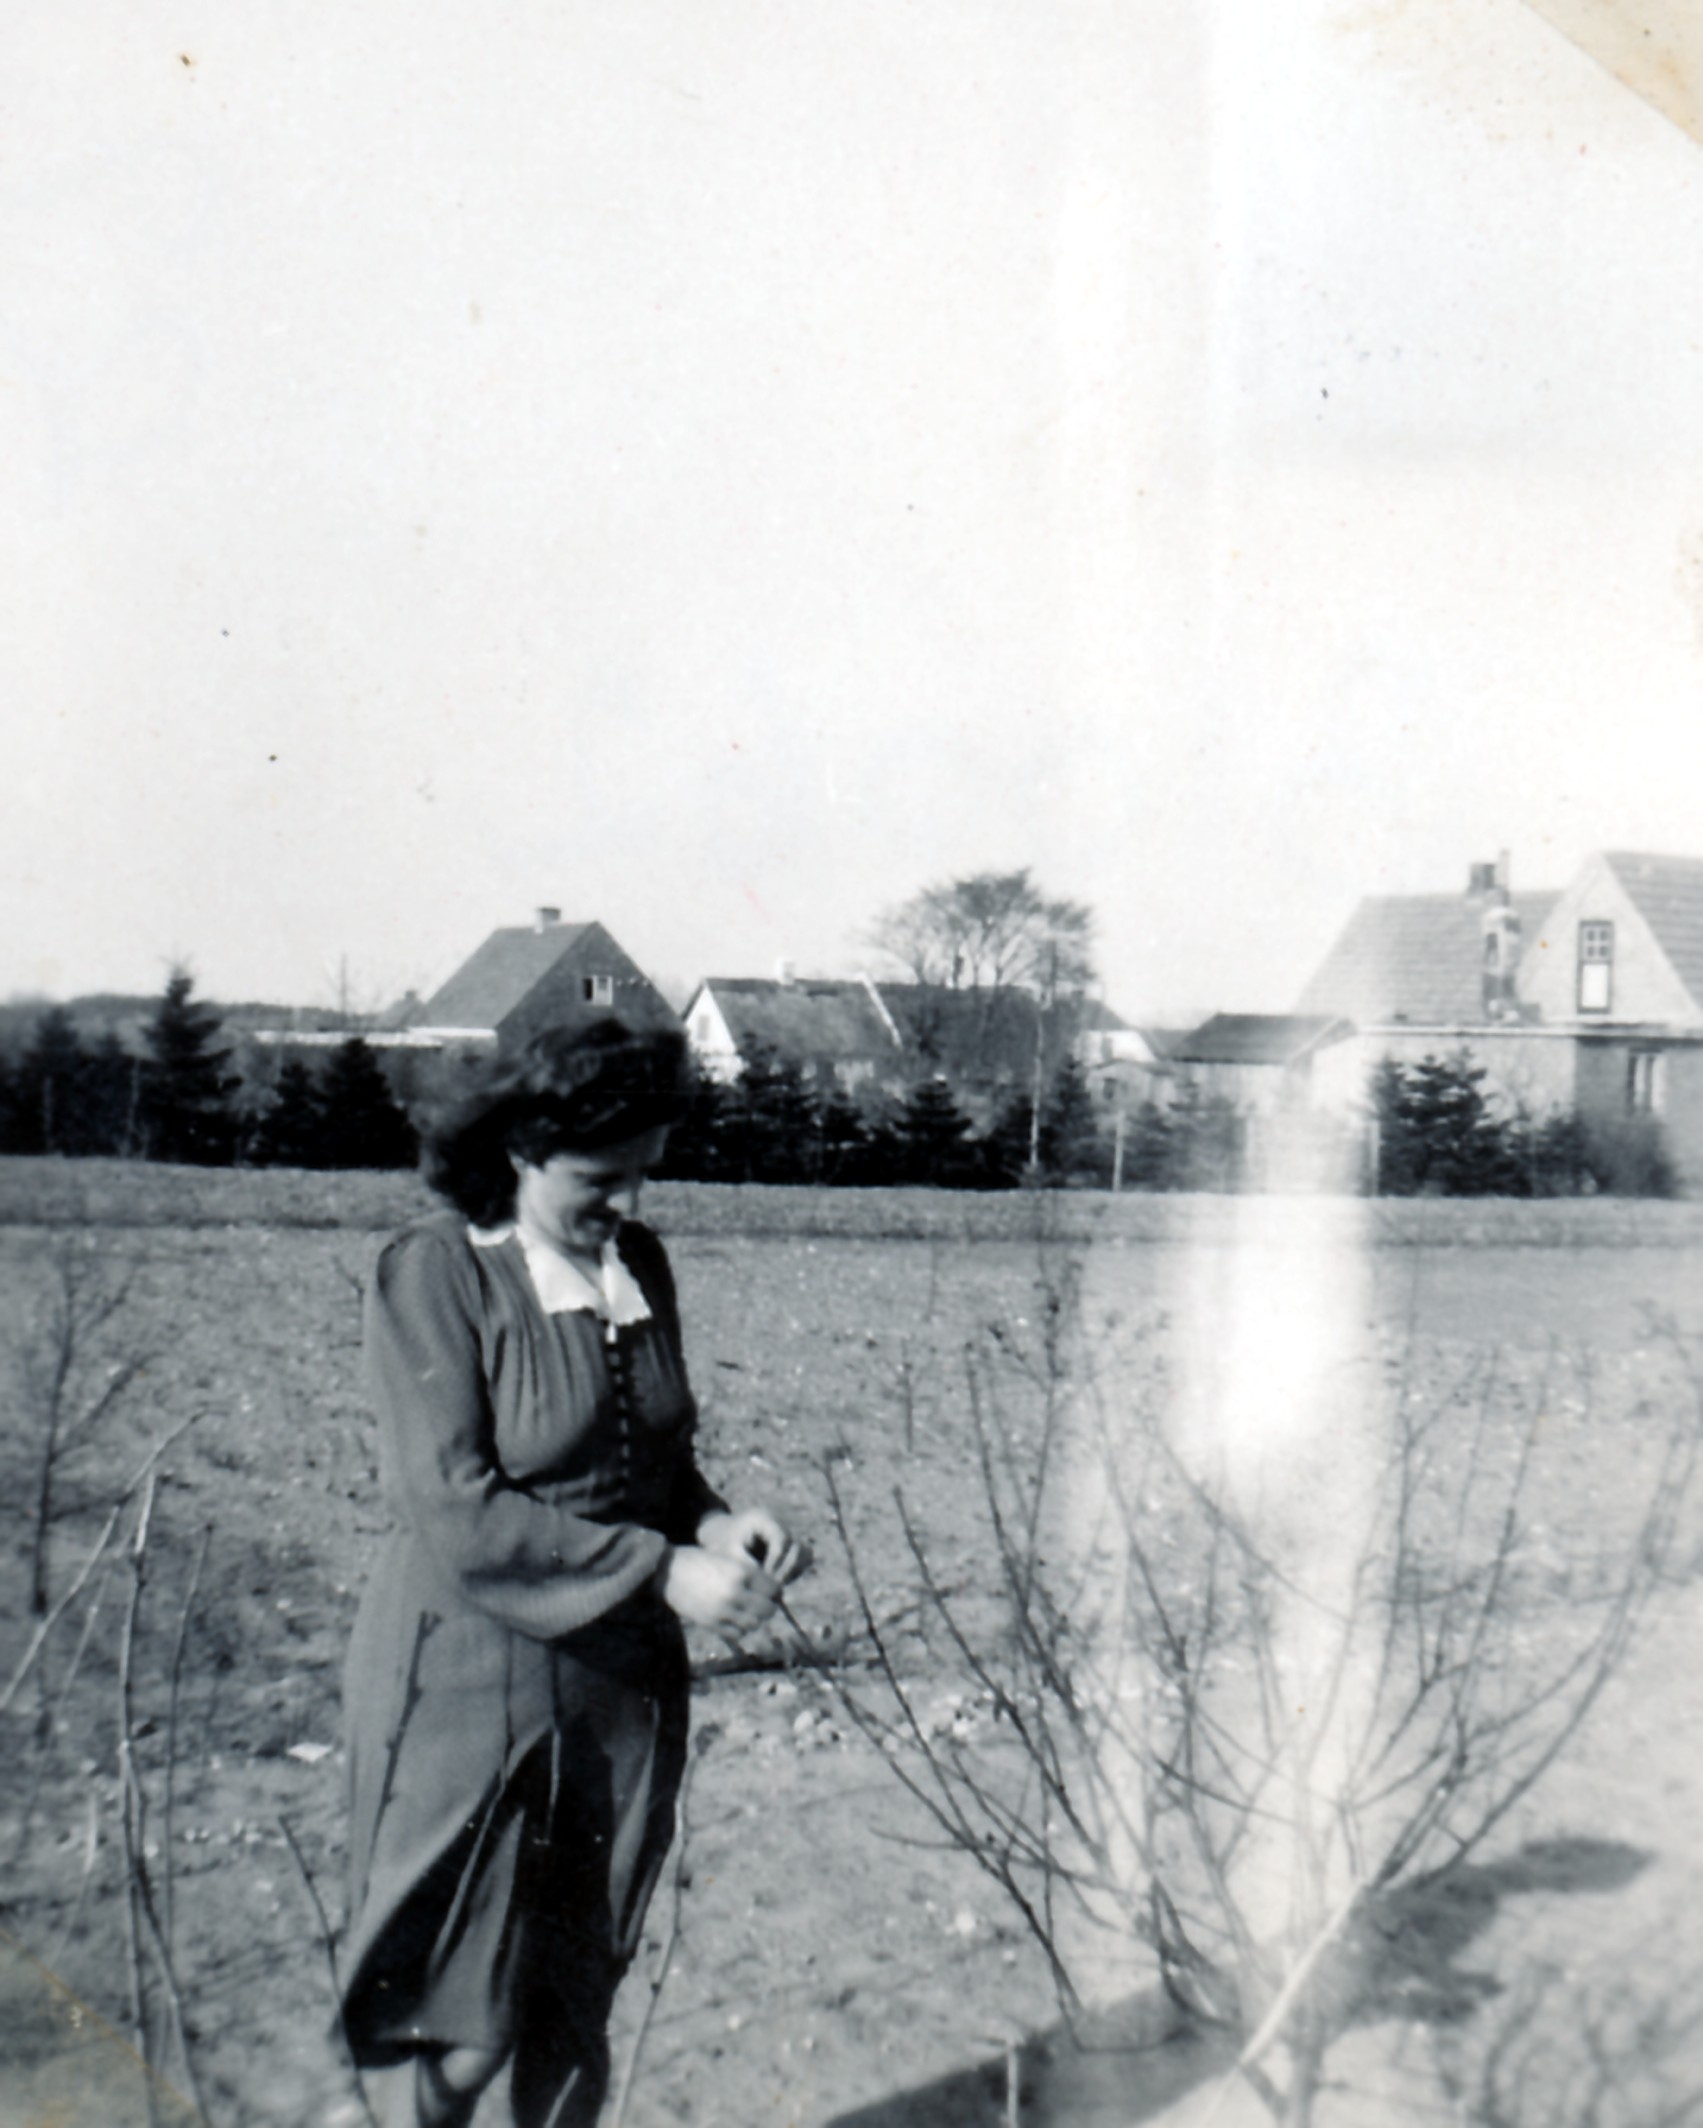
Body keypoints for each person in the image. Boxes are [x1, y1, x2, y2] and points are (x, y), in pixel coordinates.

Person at [339, 1020, 808, 2128]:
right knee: (465, 2016)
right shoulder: (440, 1272)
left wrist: (717, 1522)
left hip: (617, 1690)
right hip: (469, 1680)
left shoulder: (636, 1265)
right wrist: (660, 1568)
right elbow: (453, 1505)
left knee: (573, 1993)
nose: (628, 1202)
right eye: (600, 1178)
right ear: (520, 1148)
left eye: (644, 1172)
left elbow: (654, 1458)